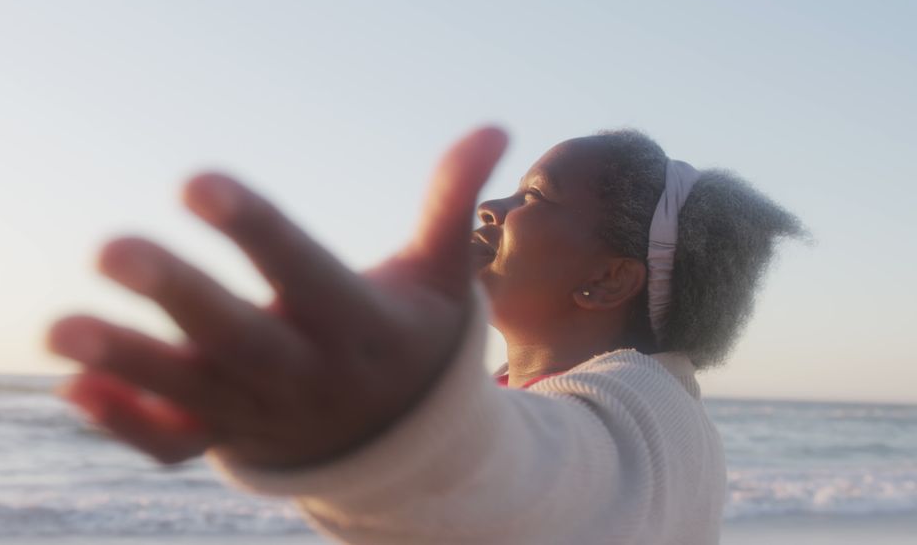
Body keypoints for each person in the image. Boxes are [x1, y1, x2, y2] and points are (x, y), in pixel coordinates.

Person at [46, 126, 805, 544]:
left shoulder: (644, 407)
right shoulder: (551, 398)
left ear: (608, 280)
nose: (493, 206)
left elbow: (544, 482)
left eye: (535, 195)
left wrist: (394, 432)